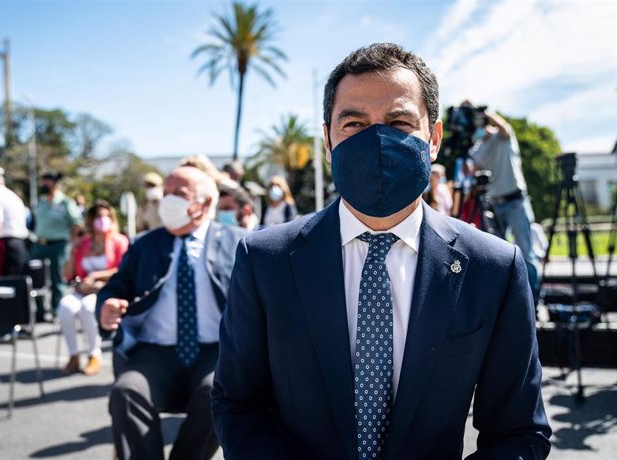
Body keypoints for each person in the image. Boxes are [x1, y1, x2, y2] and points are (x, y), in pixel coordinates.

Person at [212, 43, 551, 459]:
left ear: (434, 138)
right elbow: (237, 405)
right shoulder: (264, 261)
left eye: (399, 122)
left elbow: (520, 432)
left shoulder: (493, 267)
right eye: (354, 123)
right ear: (327, 139)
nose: (376, 139)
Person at [97, 166, 247, 460]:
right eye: (165, 193)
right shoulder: (144, 245)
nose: (167, 201)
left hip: (216, 352)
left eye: (178, 194)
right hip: (154, 352)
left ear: (204, 203)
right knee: (127, 391)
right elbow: (116, 287)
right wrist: (107, 305)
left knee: (221, 391)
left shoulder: (240, 243)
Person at [468, 106, 541, 298]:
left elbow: (504, 127)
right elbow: (472, 168)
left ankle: (534, 300)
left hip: (515, 200)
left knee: (526, 253)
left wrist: (485, 112)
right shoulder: (479, 146)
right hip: (493, 203)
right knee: (500, 254)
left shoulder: (502, 137)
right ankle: (508, 299)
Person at [58, 200, 129, 376]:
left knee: (89, 308)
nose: (102, 219)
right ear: (91, 220)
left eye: (106, 216)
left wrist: (96, 276)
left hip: (105, 290)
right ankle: (74, 355)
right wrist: (73, 251)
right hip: (82, 289)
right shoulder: (84, 244)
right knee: (65, 307)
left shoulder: (119, 241)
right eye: (98, 216)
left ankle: (94, 354)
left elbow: (123, 269)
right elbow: (67, 274)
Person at [30, 171, 84, 321]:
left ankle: (57, 311)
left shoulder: (65, 202)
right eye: (44, 181)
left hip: (58, 245)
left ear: (55, 183)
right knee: (36, 277)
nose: (44, 184)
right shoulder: (41, 202)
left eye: (48, 181)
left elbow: (77, 223)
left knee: (56, 280)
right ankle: (40, 312)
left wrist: (73, 240)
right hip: (40, 244)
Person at [0, 166, 30, 276]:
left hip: (5, 246)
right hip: (20, 244)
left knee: (3, 284)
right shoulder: (12, 196)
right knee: (17, 284)